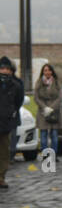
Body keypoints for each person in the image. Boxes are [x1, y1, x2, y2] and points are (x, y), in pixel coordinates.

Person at [0, 56, 24, 189]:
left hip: (6, 123)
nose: (4, 71)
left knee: (4, 153)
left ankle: (1, 177)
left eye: (7, 69)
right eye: (2, 68)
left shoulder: (15, 85)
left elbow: (18, 102)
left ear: (11, 71)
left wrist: (10, 114)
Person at [34, 63, 62, 158]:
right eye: (45, 70)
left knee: (54, 134)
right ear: (43, 72)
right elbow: (36, 97)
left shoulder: (57, 82)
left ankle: (54, 155)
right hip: (43, 112)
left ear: (52, 71)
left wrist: (51, 108)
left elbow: (60, 97)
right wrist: (44, 108)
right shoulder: (38, 82)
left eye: (49, 70)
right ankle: (45, 155)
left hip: (54, 111)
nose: (47, 72)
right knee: (43, 135)